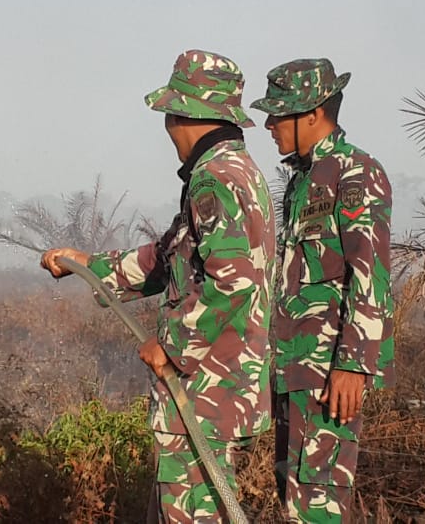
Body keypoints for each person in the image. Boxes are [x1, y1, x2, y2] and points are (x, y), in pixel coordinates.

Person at [40, 49, 275, 523]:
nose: (167, 129)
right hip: (215, 386)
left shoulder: (216, 179)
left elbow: (231, 283)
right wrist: (90, 265)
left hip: (204, 387)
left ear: (183, 116)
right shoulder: (233, 173)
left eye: (169, 115)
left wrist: (173, 349)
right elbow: (171, 256)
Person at [250, 58, 395, 522]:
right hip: (295, 371)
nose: (269, 124)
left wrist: (353, 365)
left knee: (318, 508)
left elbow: (370, 273)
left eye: (279, 113)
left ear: (313, 113)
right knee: (295, 502)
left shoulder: (354, 174)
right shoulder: (304, 181)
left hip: (330, 374)